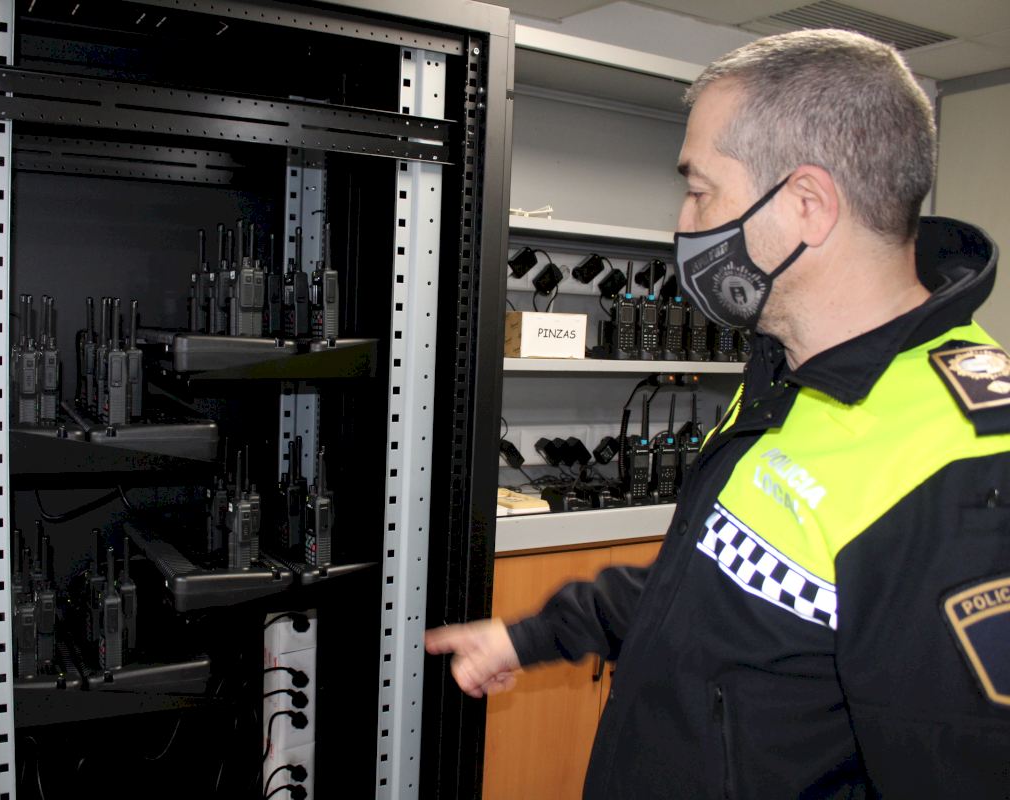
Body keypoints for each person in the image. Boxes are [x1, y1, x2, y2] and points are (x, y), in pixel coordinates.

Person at [426, 28, 1010, 798]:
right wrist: (535, 635)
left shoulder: (965, 469)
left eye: (700, 190)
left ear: (807, 206)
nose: (685, 220)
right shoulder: (787, 372)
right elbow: (714, 581)